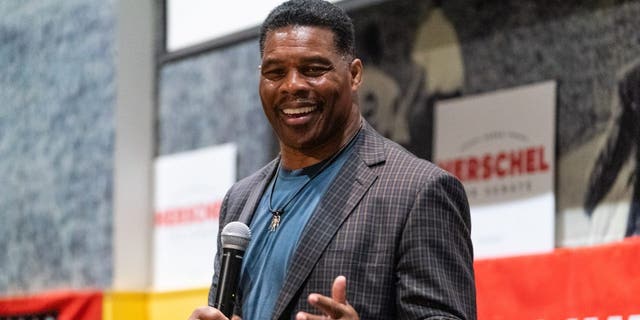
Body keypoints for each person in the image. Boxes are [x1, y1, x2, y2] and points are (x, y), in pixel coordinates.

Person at [189, 0, 476, 319]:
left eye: (313, 69)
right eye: (275, 72)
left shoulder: (418, 190)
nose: (292, 85)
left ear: (354, 75)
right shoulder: (240, 200)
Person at [584, 61, 640, 237]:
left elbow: (615, 149)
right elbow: (616, 146)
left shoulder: (632, 78)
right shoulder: (631, 79)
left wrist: (592, 198)